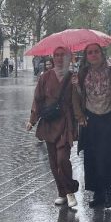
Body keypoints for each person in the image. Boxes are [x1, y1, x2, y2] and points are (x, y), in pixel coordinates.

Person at [74, 44, 111, 208]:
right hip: (90, 119)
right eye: (90, 53)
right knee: (91, 157)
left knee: (107, 156)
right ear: (86, 56)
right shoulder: (82, 73)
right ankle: (98, 193)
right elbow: (76, 97)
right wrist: (80, 116)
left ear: (101, 53)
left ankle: (107, 191)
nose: (93, 55)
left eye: (96, 52)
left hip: (109, 118)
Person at [27, 46, 83, 208]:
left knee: (62, 159)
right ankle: (61, 192)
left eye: (62, 55)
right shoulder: (45, 77)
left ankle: (70, 191)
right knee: (53, 161)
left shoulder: (73, 77)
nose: (59, 58)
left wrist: (78, 87)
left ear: (68, 58)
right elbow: (38, 99)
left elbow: (80, 100)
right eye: (56, 55)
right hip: (49, 122)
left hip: (66, 123)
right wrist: (32, 120)